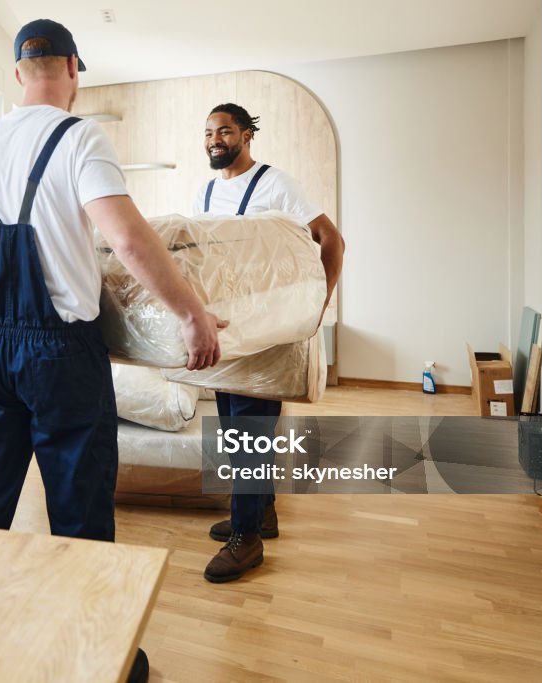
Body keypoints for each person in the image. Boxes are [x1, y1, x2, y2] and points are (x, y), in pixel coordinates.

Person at [0, 19, 226, 682]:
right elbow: (127, 239)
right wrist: (192, 316)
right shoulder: (80, 137)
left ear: (18, 73)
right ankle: (96, 659)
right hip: (59, 357)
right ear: (75, 68)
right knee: (77, 511)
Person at [194, 103, 344, 583]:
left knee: (250, 436)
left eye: (225, 131)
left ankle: (247, 540)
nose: (215, 140)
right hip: (228, 331)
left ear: (247, 135)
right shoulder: (208, 191)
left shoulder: (277, 184)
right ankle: (261, 516)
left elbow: (332, 240)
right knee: (235, 431)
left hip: (268, 331)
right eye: (209, 133)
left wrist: (317, 307)